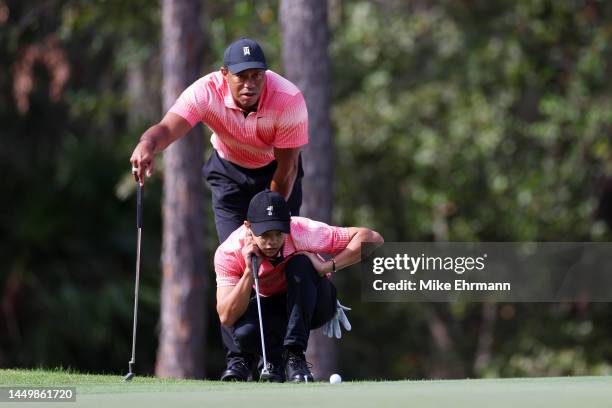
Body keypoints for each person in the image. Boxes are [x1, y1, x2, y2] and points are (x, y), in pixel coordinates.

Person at [128, 38, 309, 379]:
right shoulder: (205, 92)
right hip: (228, 176)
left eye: (257, 75)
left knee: (278, 261)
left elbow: (286, 170)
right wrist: (147, 143)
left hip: (276, 176)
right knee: (237, 257)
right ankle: (239, 359)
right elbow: (169, 127)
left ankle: (282, 357)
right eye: (242, 76)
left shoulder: (288, 99)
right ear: (224, 74)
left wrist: (265, 220)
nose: (250, 83)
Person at [215, 190, 384, 382]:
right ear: (248, 227)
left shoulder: (302, 231)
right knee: (245, 333)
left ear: (288, 225)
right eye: (264, 234)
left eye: (278, 233)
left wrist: (327, 266)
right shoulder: (229, 252)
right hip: (275, 306)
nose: (272, 242)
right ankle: (275, 364)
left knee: (301, 264)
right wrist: (248, 272)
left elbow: (372, 238)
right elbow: (227, 316)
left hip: (316, 303)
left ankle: (295, 356)